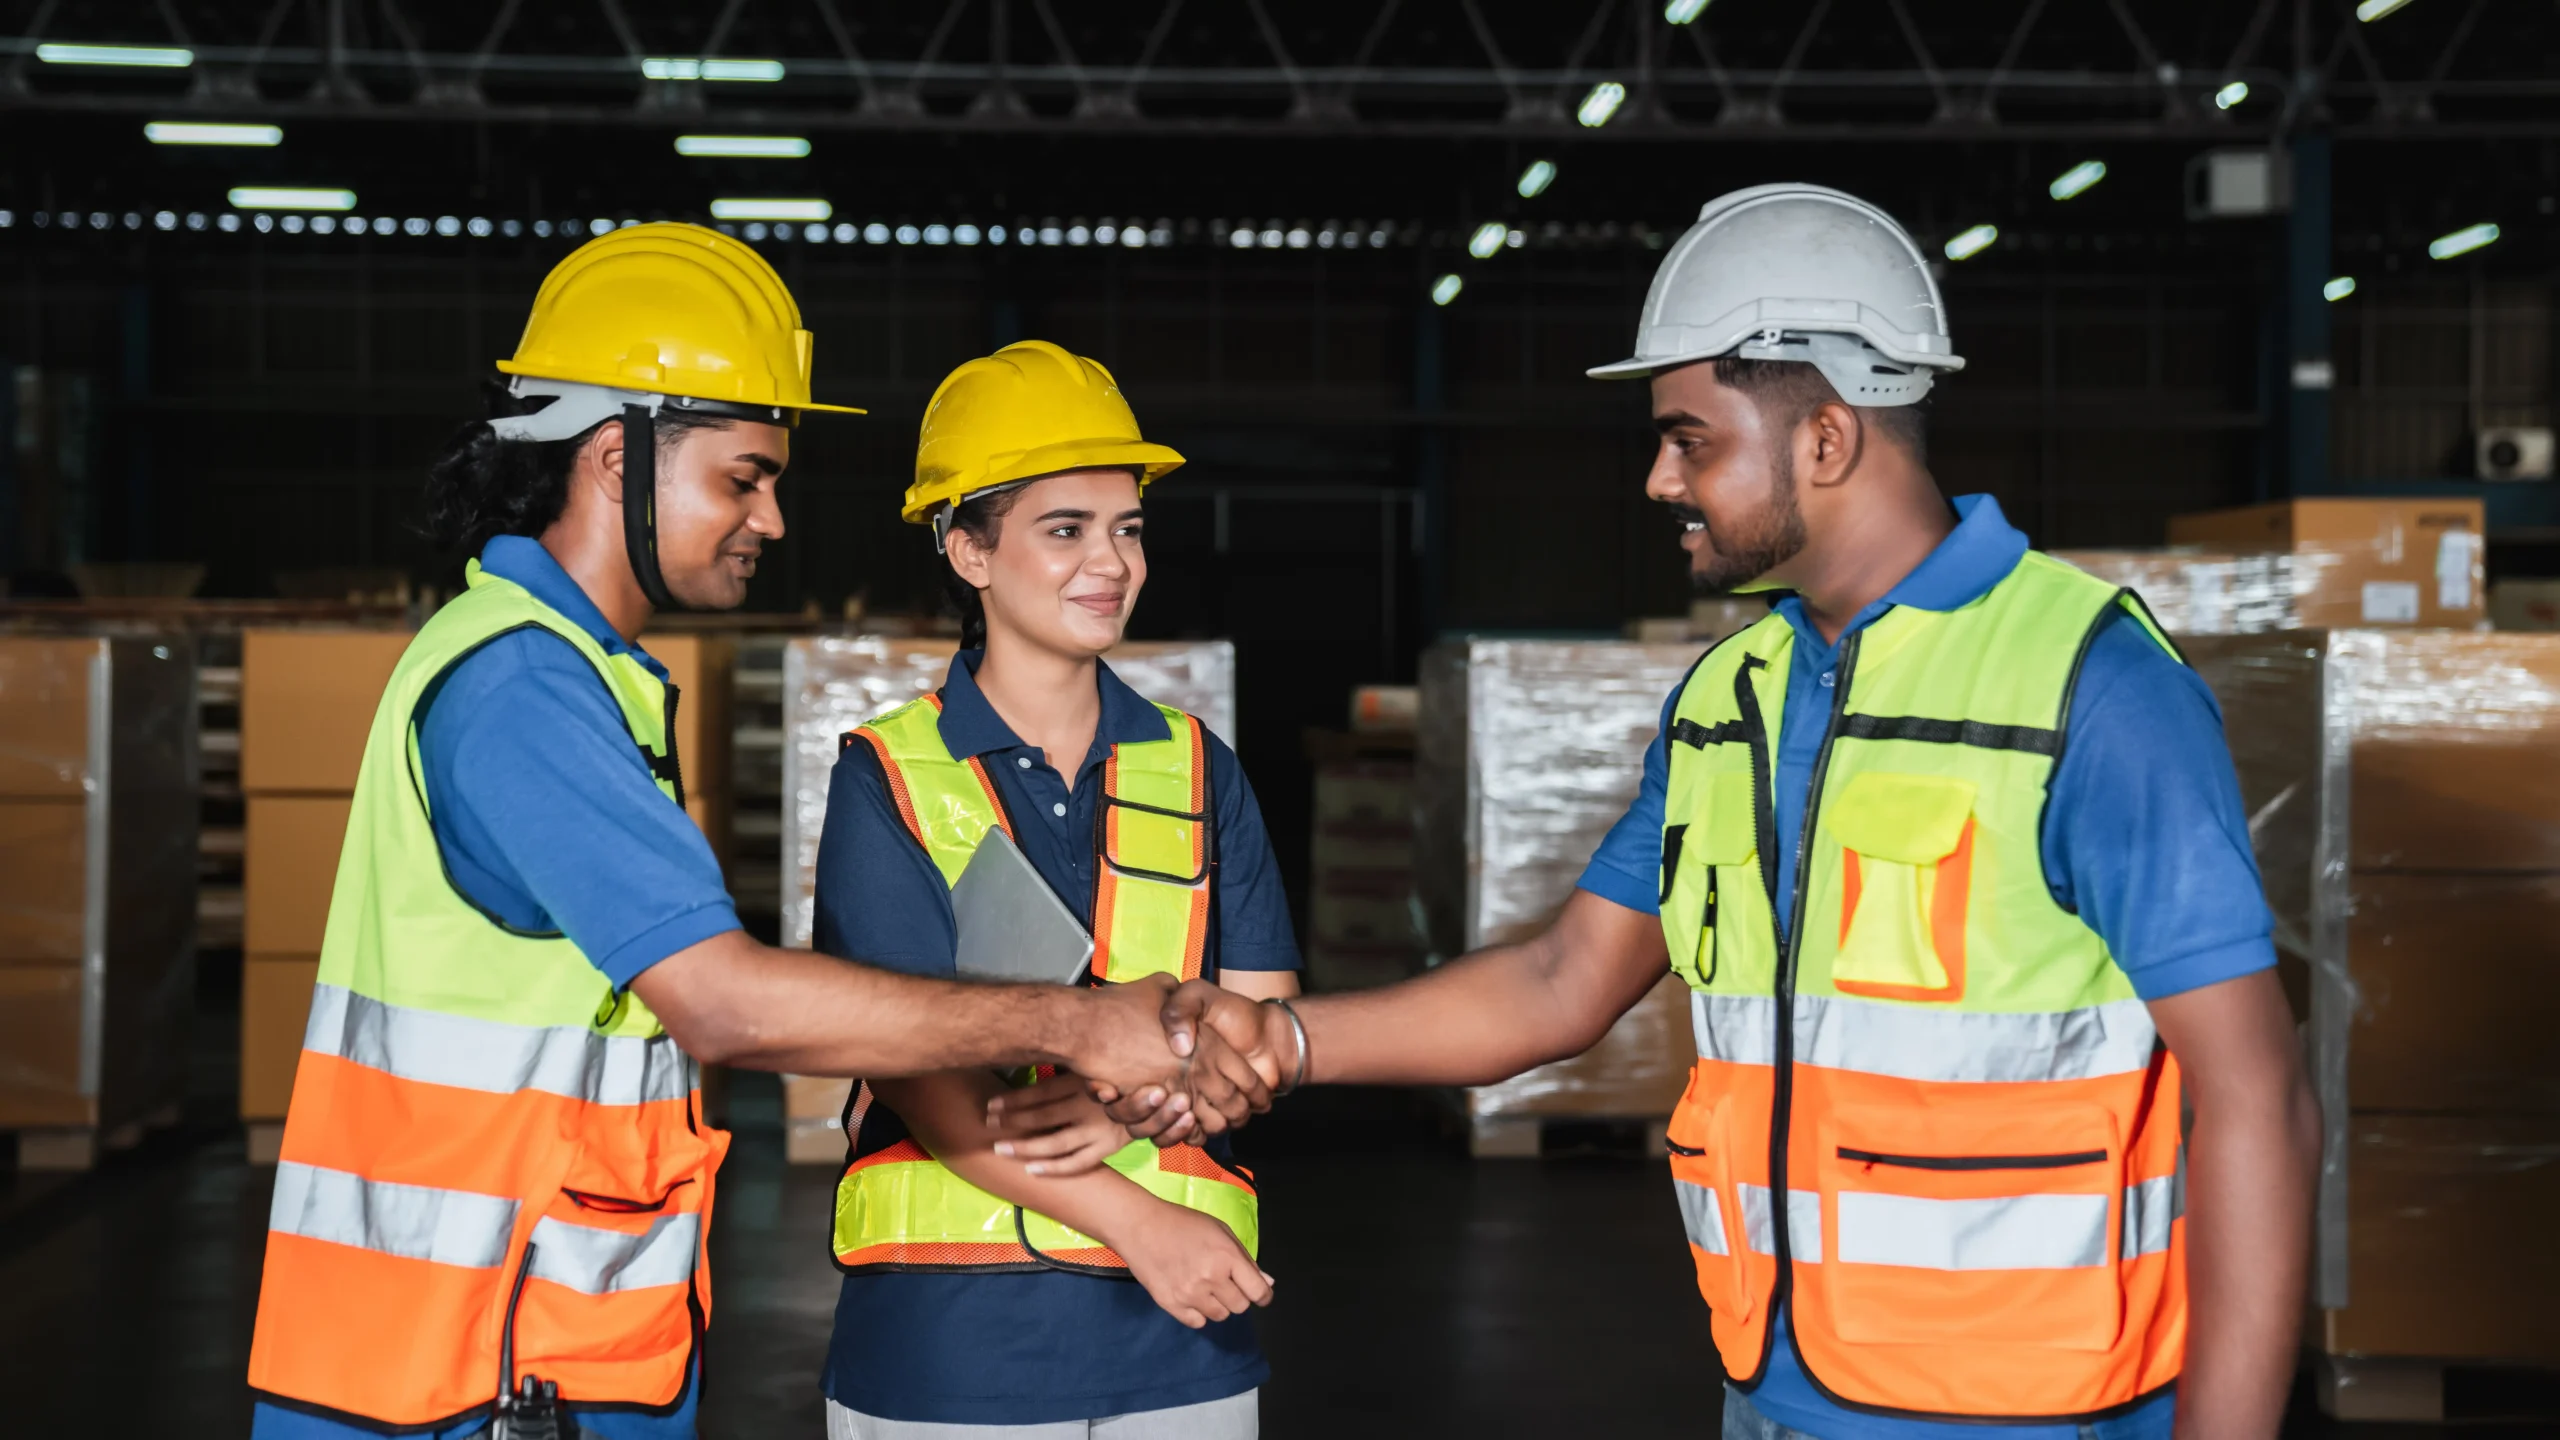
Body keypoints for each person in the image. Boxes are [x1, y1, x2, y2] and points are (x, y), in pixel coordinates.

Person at [1000, 186, 2325, 1440]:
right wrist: (1277, 1040)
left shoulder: (2089, 686)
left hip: (2042, 1409)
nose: (1657, 479)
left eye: (1690, 438)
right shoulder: (1729, 700)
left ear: (1827, 437)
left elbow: (2258, 1095)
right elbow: (1562, 981)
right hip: (1779, 1388)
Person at [246, 228, 1269, 1440]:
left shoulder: (589, 680)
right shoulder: (521, 690)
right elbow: (724, 1004)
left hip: (535, 1342)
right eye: (743, 478)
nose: (772, 520)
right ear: (617, 459)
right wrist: (1073, 1020)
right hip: (460, 1364)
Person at [811, 340, 1300, 1440]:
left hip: (1185, 1345)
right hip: (950, 1346)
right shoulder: (886, 774)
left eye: (1127, 529)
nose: (1111, 563)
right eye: (1064, 530)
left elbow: (1265, 1024)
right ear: (966, 549)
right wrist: (1136, 1219)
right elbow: (905, 1059)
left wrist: (1137, 1102)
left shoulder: (1198, 765)